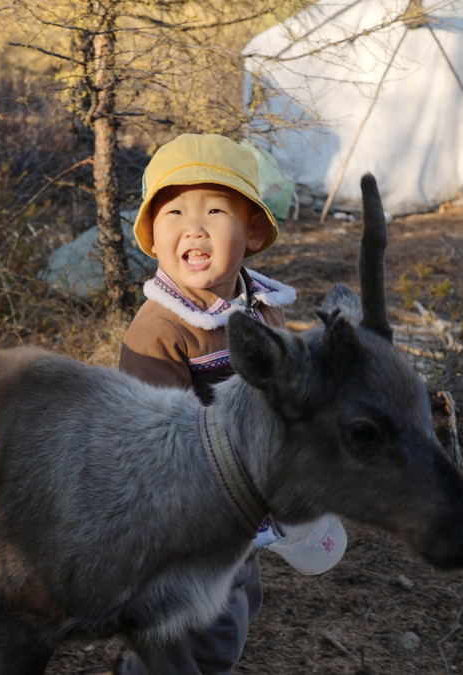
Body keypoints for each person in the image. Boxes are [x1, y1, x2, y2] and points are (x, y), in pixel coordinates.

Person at [114, 133, 295, 674]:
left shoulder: (261, 308)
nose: (193, 226)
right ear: (153, 234)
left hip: (246, 504)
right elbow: (153, 439)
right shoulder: (160, 329)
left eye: (215, 210)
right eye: (174, 212)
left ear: (253, 230)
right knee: (197, 631)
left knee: (239, 608)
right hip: (186, 521)